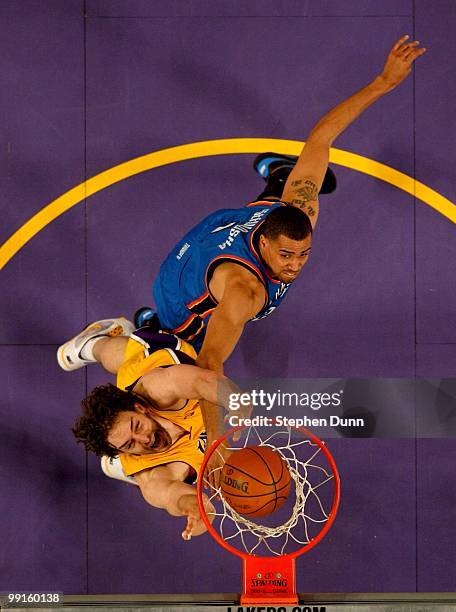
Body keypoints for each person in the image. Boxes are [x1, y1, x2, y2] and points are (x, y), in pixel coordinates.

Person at [134, 36, 426, 381]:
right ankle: (151, 328)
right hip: (178, 287)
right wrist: (218, 435)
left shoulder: (300, 209)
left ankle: (279, 174)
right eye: (287, 255)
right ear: (265, 245)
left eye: (302, 255)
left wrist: (384, 82)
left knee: (288, 194)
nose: (296, 265)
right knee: (181, 349)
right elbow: (209, 366)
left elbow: (321, 139)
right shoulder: (244, 291)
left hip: (229, 229)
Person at [58, 317, 243, 539]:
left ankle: (92, 343)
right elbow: (167, 494)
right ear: (123, 451)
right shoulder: (155, 473)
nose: (144, 439)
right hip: (145, 462)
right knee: (144, 474)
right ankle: (123, 465)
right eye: (129, 444)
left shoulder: (157, 390)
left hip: (156, 352)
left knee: (119, 355)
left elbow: (205, 382)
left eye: (137, 426)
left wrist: (235, 405)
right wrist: (195, 506)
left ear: (141, 409)